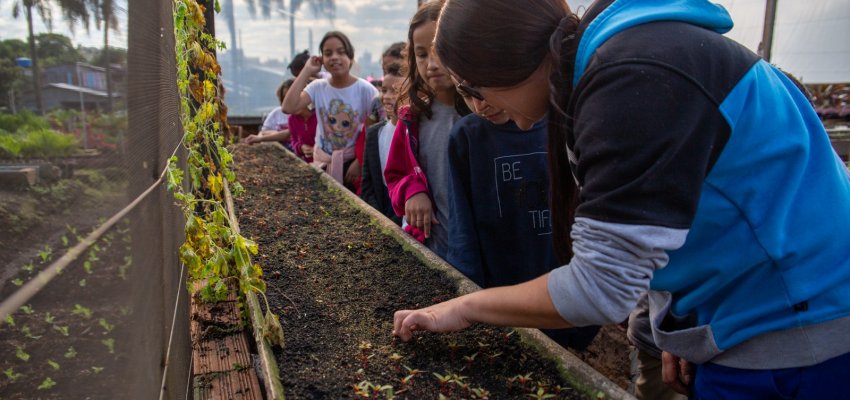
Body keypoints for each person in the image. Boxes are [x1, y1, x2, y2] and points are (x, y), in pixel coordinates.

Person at [392, 1, 850, 399]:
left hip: (799, 333)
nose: (477, 106)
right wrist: (673, 323)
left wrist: (464, 307)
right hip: (748, 316)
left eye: (472, 87)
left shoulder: (632, 78)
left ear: (505, 60)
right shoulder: (613, 64)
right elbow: (669, 217)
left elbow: (600, 287)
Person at [447, 78, 600, 351]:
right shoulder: (466, 136)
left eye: (482, 88)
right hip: (500, 293)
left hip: (565, 285)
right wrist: (467, 289)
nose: (479, 104)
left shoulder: (566, 124)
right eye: (466, 93)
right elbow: (462, 228)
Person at [383, 0, 470, 258]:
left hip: (487, 248)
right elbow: (395, 175)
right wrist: (412, 191)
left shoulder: (487, 113)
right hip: (436, 247)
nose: (431, 64)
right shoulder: (411, 121)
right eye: (422, 54)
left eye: (439, 50)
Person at [282, 31, 379, 191]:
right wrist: (307, 71)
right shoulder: (317, 87)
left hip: (352, 164)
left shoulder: (365, 90)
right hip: (322, 161)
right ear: (322, 60)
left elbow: (372, 130)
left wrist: (359, 162)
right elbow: (288, 107)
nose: (334, 57)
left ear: (350, 57)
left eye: (341, 52)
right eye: (328, 53)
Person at [361, 62, 404, 225]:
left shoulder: (415, 133)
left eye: (395, 91)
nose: (386, 96)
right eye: (384, 90)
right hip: (381, 209)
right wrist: (379, 217)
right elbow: (367, 184)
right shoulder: (374, 133)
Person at [244, 79, 293, 147]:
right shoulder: (276, 113)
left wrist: (275, 134)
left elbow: (289, 133)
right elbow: (263, 132)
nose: (288, 101)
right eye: (285, 97)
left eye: (291, 97)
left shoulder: (301, 115)